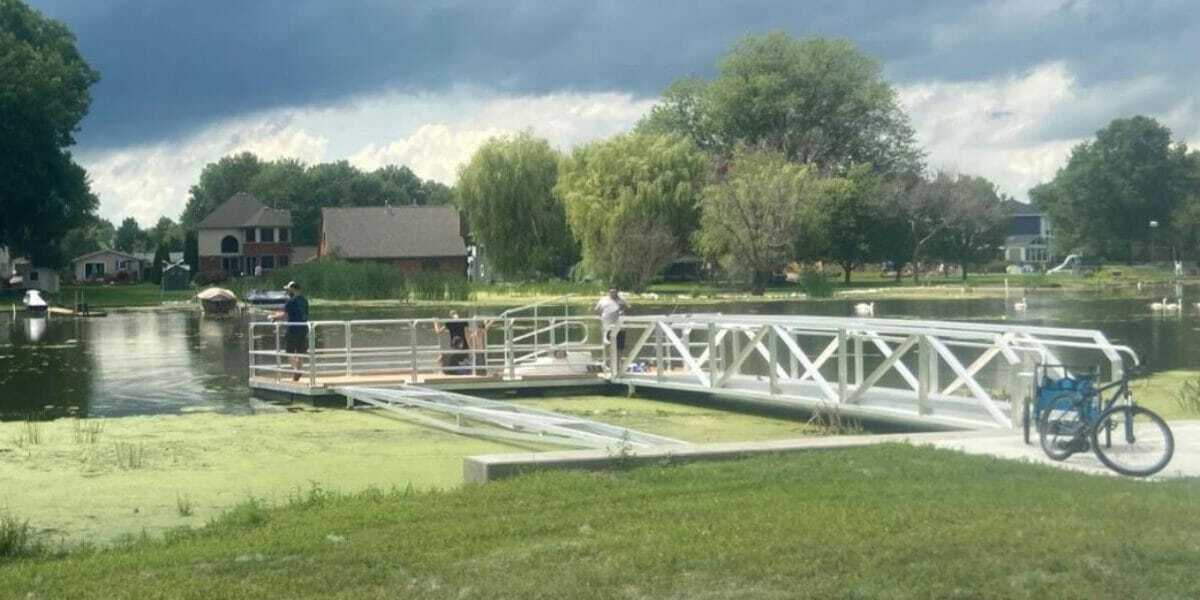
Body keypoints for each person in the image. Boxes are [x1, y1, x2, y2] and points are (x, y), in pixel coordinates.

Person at [270, 281, 309, 382]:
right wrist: (278, 314)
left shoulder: (290, 302)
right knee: (300, 353)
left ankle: (296, 370)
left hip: (292, 330)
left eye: (288, 290)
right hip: (304, 329)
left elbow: (285, 315)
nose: (287, 292)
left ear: (294, 290)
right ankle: (299, 371)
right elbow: (294, 313)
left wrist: (273, 317)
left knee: (290, 352)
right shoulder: (304, 301)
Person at [594, 287, 631, 359]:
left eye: (615, 292)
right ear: (609, 292)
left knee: (620, 347)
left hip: (620, 327)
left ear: (617, 292)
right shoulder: (603, 299)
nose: (613, 293)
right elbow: (596, 310)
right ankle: (611, 363)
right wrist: (602, 317)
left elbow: (629, 309)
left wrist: (624, 310)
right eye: (611, 292)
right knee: (609, 345)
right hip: (608, 326)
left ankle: (618, 363)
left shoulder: (622, 300)